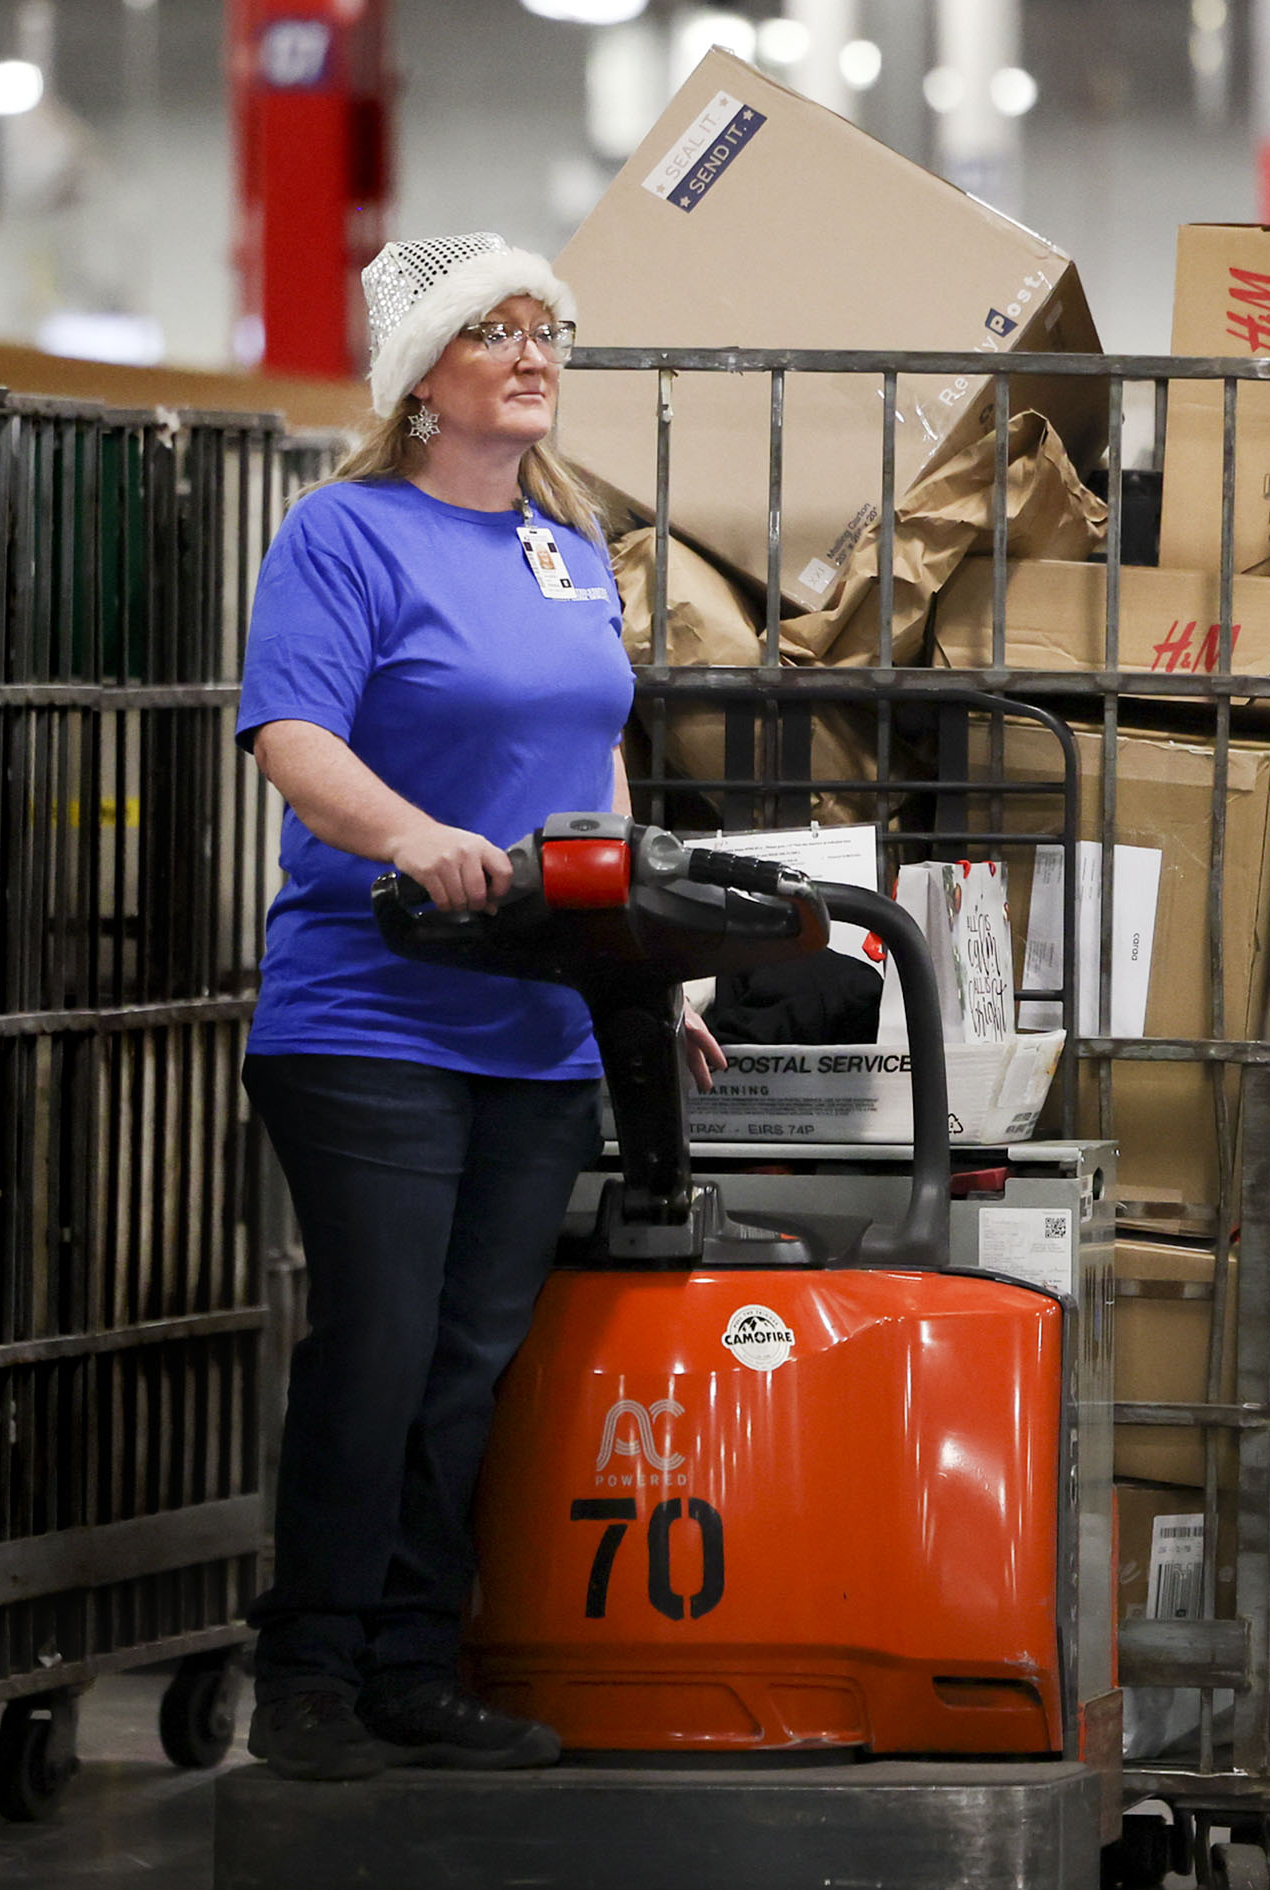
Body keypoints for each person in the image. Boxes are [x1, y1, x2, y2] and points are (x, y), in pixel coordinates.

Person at [232, 233, 723, 1781]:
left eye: (547, 331)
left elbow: (599, 769)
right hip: (371, 1011)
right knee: (376, 1344)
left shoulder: (571, 550)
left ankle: (414, 1668)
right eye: (494, 333)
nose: (532, 355)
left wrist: (656, 960)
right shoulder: (345, 534)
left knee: (470, 1360)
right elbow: (289, 732)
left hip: (537, 1022)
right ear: (421, 378)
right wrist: (413, 838)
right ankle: (308, 1673)